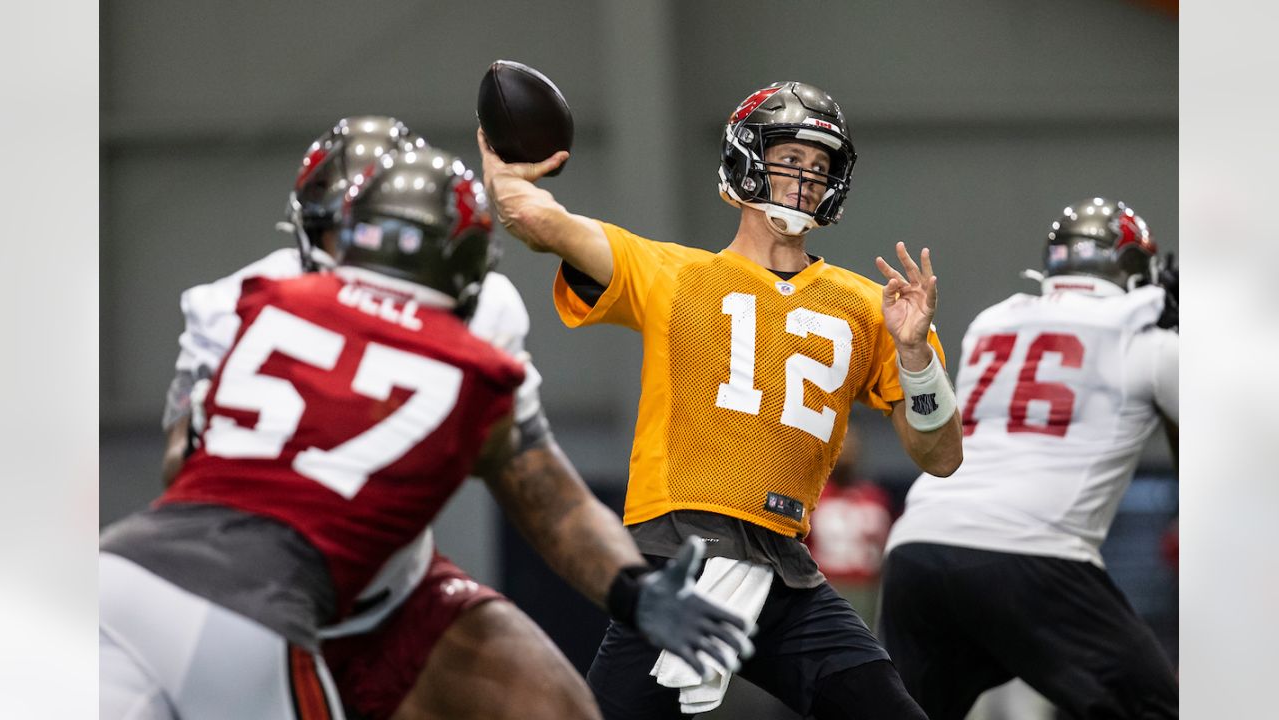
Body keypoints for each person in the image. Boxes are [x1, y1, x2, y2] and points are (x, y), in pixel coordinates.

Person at [100, 141, 749, 720]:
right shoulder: (474, 361)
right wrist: (632, 588)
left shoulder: (262, 299)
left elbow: (185, 464)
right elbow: (542, 488)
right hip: (263, 607)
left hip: (159, 568)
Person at [479, 80, 963, 720]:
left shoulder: (876, 307)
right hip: (679, 552)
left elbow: (942, 455)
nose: (806, 178)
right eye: (792, 158)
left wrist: (916, 358)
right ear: (746, 159)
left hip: (787, 569)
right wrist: (508, 178)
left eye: (820, 167)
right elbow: (541, 222)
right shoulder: (675, 274)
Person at [877, 197, 1180, 719]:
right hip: (1033, 554)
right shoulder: (1148, 338)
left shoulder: (996, 322)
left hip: (918, 547)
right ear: (1133, 267)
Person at [804, 425, 894, 631]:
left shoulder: (875, 495)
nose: (848, 451)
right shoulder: (814, 495)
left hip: (868, 590)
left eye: (852, 444)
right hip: (825, 587)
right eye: (843, 444)